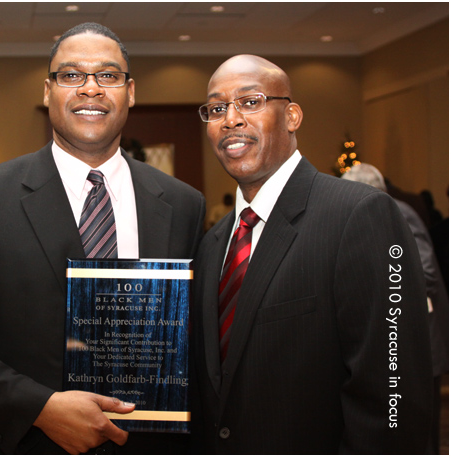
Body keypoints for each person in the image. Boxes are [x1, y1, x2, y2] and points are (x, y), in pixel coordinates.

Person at [0, 23, 205, 455]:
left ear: (130, 91)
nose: (91, 89)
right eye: (71, 75)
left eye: (108, 75)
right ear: (48, 91)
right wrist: (39, 408)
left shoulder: (183, 203)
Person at [191, 54, 432, 454]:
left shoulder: (359, 214)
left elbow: (394, 392)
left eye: (250, 102)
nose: (230, 118)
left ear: (292, 116)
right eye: (217, 108)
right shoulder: (213, 243)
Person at [342, 163, 449, 454]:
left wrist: (371, 291)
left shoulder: (396, 211)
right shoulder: (370, 213)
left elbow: (424, 272)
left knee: (421, 434)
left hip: (419, 342)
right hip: (397, 341)